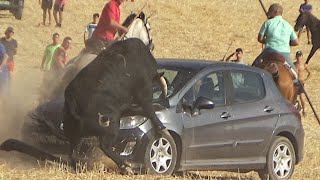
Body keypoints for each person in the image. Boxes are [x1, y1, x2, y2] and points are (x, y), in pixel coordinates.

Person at [253, 3, 299, 78]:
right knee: (295, 74)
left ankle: (247, 82)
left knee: (254, 66)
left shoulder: (267, 23)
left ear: (275, 12)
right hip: (284, 54)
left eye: (269, 11)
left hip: (269, 51)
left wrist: (267, 40)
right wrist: (285, 42)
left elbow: (260, 38)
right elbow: (296, 42)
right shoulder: (288, 25)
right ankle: (298, 85)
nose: (268, 13)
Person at [294, 51, 311, 116]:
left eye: (300, 56)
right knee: (294, 98)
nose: (299, 58)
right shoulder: (293, 64)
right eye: (298, 56)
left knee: (302, 97)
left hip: (301, 83)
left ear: (302, 57)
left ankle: (304, 110)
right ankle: (297, 109)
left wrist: (305, 80)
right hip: (295, 83)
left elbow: (310, 74)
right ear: (296, 57)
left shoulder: (304, 65)